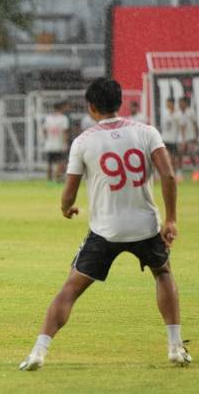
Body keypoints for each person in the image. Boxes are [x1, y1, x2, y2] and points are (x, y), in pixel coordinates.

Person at [19, 78, 191, 371]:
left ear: (91, 107)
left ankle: (38, 351)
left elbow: (69, 192)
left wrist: (66, 208)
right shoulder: (146, 132)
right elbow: (169, 176)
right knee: (163, 273)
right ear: (120, 102)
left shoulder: (84, 141)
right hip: (146, 227)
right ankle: (175, 347)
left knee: (70, 289)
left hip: (106, 231)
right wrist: (171, 218)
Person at [42, 101, 69, 182]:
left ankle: (49, 179)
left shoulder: (48, 118)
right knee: (61, 161)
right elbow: (65, 132)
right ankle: (57, 178)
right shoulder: (63, 118)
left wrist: (46, 139)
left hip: (49, 144)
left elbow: (44, 130)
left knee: (49, 162)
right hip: (59, 144)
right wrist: (65, 143)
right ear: (62, 107)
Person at [175, 97, 199, 180]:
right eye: (179, 103)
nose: (180, 104)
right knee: (179, 155)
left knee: (191, 155)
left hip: (190, 137)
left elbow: (195, 125)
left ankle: (196, 171)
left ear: (185, 103)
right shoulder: (178, 113)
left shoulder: (191, 112)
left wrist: (196, 137)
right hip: (181, 139)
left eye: (182, 103)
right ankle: (179, 174)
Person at [160, 97, 181, 178]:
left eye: (168, 103)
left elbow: (180, 127)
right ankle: (168, 173)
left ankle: (177, 173)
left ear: (172, 103)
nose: (167, 104)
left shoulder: (177, 114)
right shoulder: (166, 114)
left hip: (173, 140)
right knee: (166, 158)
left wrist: (180, 139)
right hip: (165, 139)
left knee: (174, 158)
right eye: (167, 103)